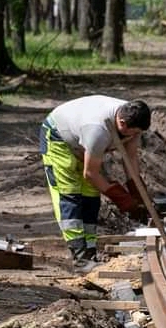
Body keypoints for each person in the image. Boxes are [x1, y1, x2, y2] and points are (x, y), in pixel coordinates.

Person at [39, 95, 151, 268]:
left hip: (82, 139)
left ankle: (90, 251)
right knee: (69, 195)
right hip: (59, 137)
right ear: (121, 123)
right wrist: (122, 198)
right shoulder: (98, 131)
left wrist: (138, 193)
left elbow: (130, 158)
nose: (136, 136)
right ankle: (80, 256)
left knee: (91, 195)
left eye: (139, 133)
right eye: (134, 133)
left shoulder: (132, 119)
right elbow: (90, 174)